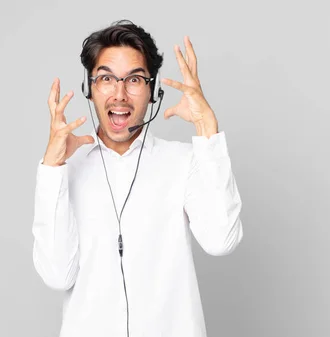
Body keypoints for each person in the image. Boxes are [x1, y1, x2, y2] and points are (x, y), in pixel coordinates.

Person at [32, 20, 243, 337]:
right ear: (90, 89)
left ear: (153, 90)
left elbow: (221, 240)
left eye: (134, 79)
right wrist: (52, 168)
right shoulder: (64, 169)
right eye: (106, 78)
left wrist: (207, 131)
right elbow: (56, 275)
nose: (119, 94)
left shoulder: (184, 162)